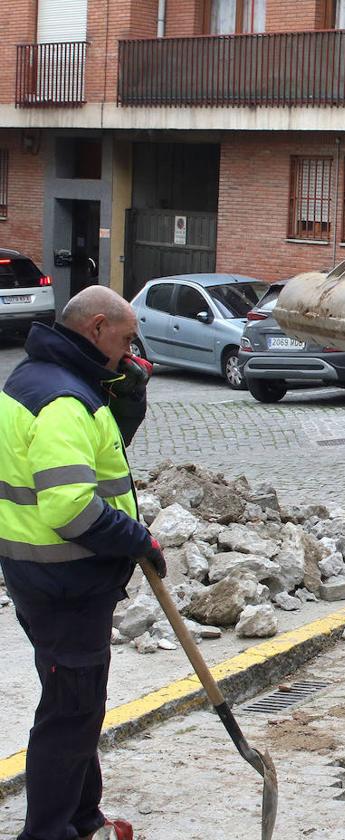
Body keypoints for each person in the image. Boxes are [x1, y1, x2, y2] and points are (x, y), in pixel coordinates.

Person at [0, 285, 164, 840]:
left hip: (43, 573)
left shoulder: (35, 380)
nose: (130, 350)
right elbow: (70, 506)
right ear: (96, 328)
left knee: (79, 700)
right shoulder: (63, 399)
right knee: (70, 711)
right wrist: (136, 539)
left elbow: (91, 461)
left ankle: (81, 814)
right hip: (63, 579)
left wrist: (125, 406)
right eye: (125, 339)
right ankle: (47, 832)